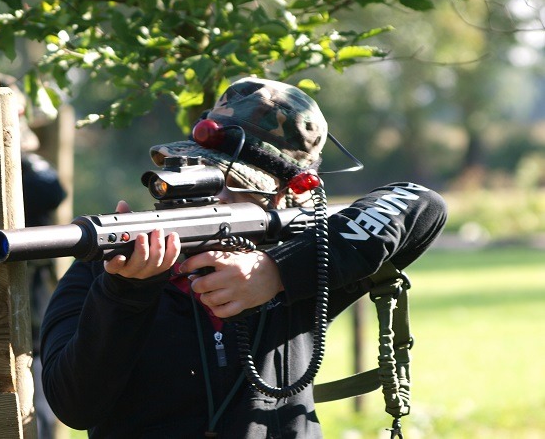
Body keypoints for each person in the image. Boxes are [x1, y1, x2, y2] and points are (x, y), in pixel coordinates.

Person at [40, 77, 448, 437]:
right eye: (201, 174)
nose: (212, 198)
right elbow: (74, 405)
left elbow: (422, 203)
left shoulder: (306, 261)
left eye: (237, 185)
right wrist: (125, 293)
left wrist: (276, 272)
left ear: (290, 197)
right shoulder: (107, 268)